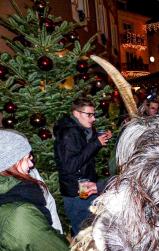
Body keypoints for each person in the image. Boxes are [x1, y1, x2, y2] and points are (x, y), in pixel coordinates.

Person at [0, 129, 69, 250]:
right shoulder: (20, 213)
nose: (31, 164)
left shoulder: (14, 194)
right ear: (9, 163)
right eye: (26, 158)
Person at [53, 96, 112, 236]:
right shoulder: (68, 133)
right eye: (89, 115)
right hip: (75, 192)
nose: (93, 119)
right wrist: (95, 143)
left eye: (94, 114)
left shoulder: (81, 129)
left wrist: (99, 138)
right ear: (76, 113)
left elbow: (84, 151)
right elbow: (70, 166)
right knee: (83, 233)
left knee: (92, 229)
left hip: (86, 187)